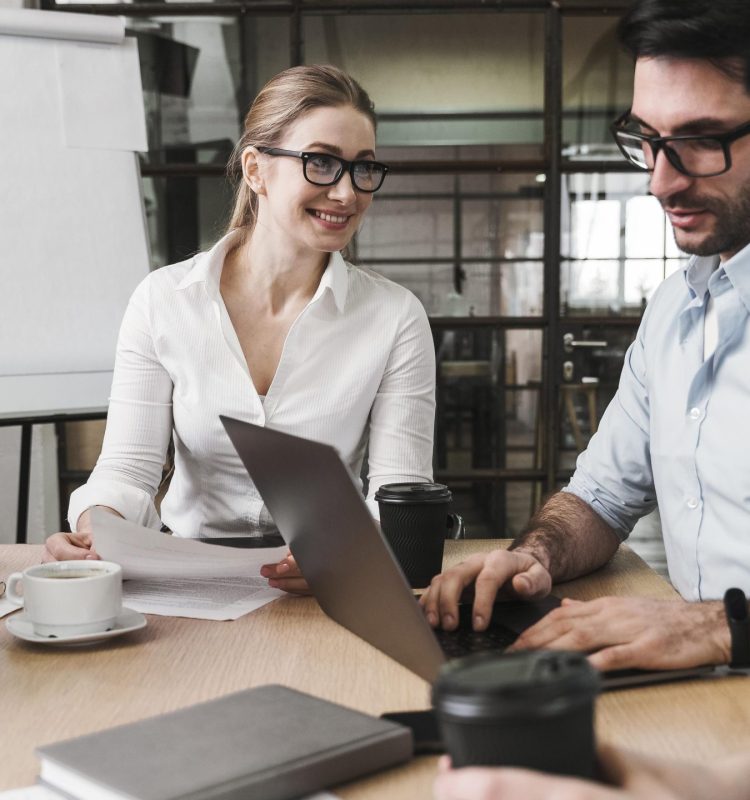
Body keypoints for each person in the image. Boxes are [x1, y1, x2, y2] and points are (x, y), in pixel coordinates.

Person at [421, 0, 750, 674]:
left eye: (701, 140)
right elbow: (600, 499)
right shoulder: (673, 311)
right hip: (704, 702)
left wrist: (721, 628)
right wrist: (533, 556)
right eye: (647, 140)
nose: (660, 180)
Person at [42, 65, 436, 594]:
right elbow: (128, 470)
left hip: (329, 581)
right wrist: (97, 524)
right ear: (255, 169)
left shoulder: (395, 316)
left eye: (363, 168)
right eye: (321, 162)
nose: (346, 192)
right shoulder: (164, 301)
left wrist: (342, 551)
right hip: (186, 578)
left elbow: (400, 493)